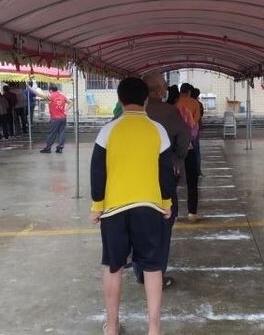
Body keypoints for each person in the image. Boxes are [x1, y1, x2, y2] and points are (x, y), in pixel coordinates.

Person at [89, 77, 175, 335]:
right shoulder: (158, 130)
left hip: (114, 210)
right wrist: (167, 203)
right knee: (152, 267)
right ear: (146, 100)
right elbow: (166, 173)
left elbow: (97, 172)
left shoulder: (107, 131)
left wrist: (97, 206)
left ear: (119, 100)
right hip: (150, 208)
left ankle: (112, 326)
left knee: (113, 266)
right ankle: (154, 329)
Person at [134, 72, 191, 290]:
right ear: (159, 90)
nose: (167, 90)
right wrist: (177, 159)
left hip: (133, 179)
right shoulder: (169, 111)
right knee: (163, 224)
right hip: (162, 177)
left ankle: (140, 270)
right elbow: (184, 138)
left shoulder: (127, 113)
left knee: (137, 224)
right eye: (165, 87)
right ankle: (155, 274)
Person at [177, 83, 202, 221]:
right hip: (189, 144)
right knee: (192, 180)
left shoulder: (174, 104)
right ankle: (192, 212)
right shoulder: (194, 103)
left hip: (175, 147)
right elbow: (195, 123)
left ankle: (173, 213)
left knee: (172, 181)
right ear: (189, 92)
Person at [27, 81, 71, 154]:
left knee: (52, 133)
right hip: (63, 117)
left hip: (55, 118)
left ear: (50, 90)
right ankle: (60, 147)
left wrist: (29, 88)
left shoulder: (50, 96)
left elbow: (38, 94)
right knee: (62, 132)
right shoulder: (62, 96)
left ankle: (48, 148)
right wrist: (65, 110)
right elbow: (70, 102)